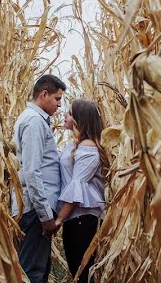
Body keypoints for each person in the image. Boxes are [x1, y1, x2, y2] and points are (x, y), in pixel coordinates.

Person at [11, 74, 66, 283]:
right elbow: (32, 172)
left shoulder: (35, 120)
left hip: (34, 209)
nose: (59, 105)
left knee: (37, 269)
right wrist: (46, 216)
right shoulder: (34, 122)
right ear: (44, 94)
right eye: (57, 99)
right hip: (34, 210)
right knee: (32, 271)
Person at [55, 98, 108, 283]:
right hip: (76, 219)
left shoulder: (88, 147)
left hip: (83, 219)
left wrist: (59, 220)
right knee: (79, 273)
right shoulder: (75, 146)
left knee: (82, 275)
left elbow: (76, 187)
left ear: (79, 119)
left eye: (69, 113)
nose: (64, 114)